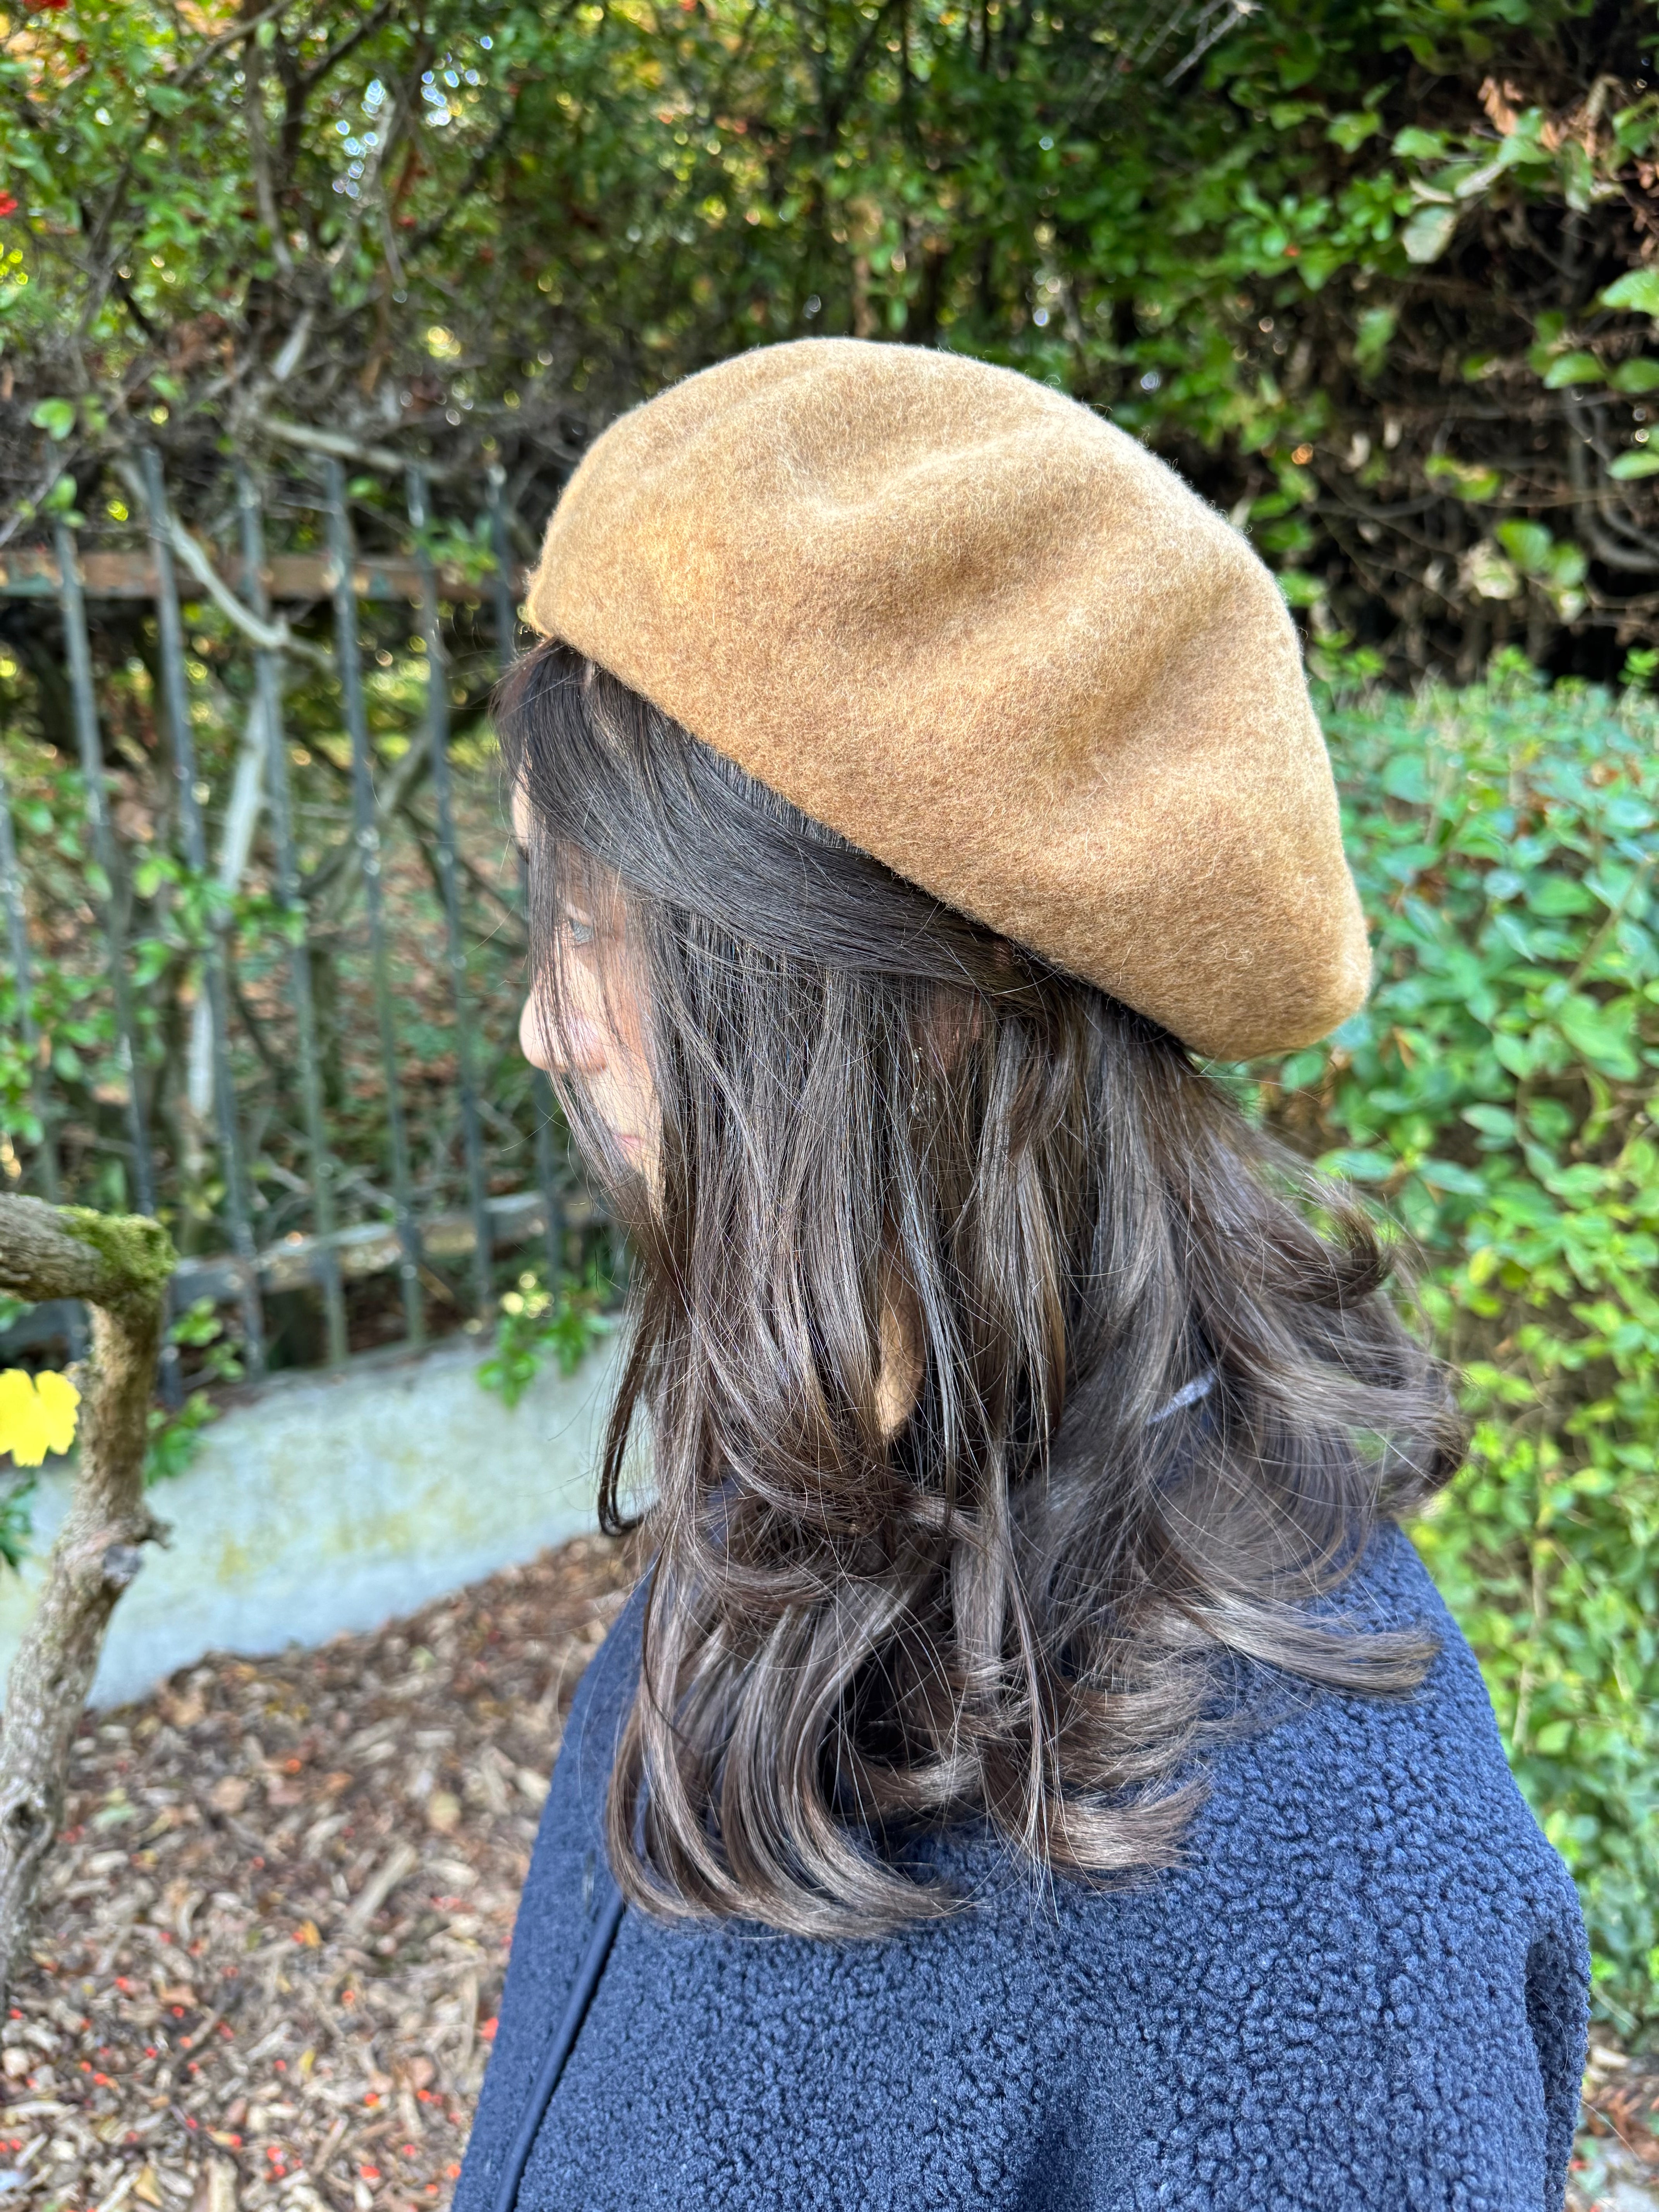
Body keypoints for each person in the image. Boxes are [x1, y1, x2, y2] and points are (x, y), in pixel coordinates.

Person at [455, 340, 1588, 2212]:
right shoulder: (802, 1505)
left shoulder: (1312, 1905)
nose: (541, 1028)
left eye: (593, 932)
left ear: (905, 1019)